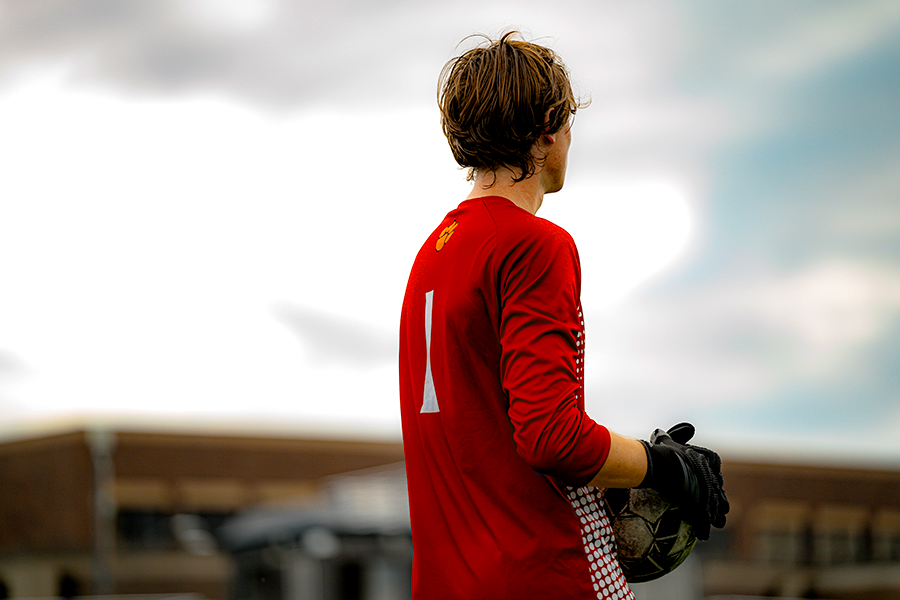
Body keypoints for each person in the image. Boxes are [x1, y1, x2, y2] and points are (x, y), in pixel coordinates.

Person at [398, 31, 728, 600]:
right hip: (541, 577)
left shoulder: (432, 254)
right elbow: (551, 438)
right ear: (549, 127)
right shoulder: (533, 244)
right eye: (569, 124)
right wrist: (662, 468)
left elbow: (489, 447)